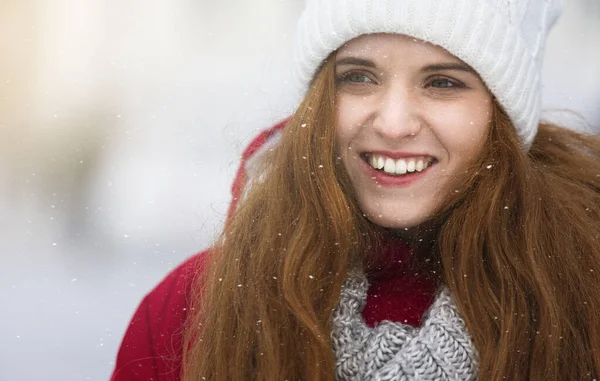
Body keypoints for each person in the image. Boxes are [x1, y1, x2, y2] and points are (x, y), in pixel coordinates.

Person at [110, 0, 600, 380]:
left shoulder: (580, 295)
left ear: (502, 116)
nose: (393, 122)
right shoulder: (196, 306)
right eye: (359, 77)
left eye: (444, 84)